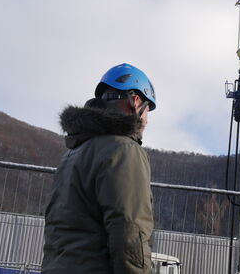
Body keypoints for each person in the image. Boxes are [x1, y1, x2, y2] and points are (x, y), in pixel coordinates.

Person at [42, 63, 157, 274]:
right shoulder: (124, 150)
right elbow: (129, 233)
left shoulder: (72, 154)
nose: (147, 120)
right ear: (136, 102)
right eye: (148, 110)